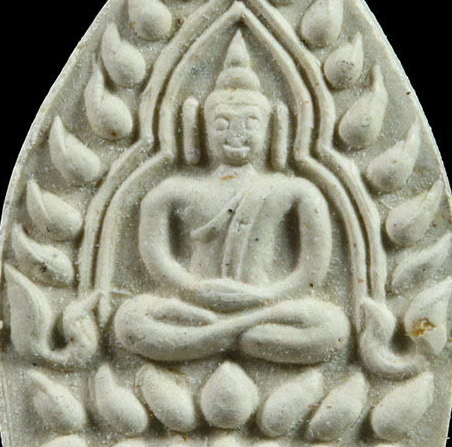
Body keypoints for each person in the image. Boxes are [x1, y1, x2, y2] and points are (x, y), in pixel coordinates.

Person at [114, 32, 350, 363]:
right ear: (199, 129)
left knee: (333, 325)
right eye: (222, 123)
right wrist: (194, 290)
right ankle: (241, 336)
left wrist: (264, 297)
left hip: (267, 306)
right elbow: (157, 259)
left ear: (273, 129)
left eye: (250, 123)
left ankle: (210, 338)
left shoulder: (296, 191)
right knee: (129, 318)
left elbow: (311, 274)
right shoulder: (170, 192)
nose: (236, 134)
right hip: (195, 307)